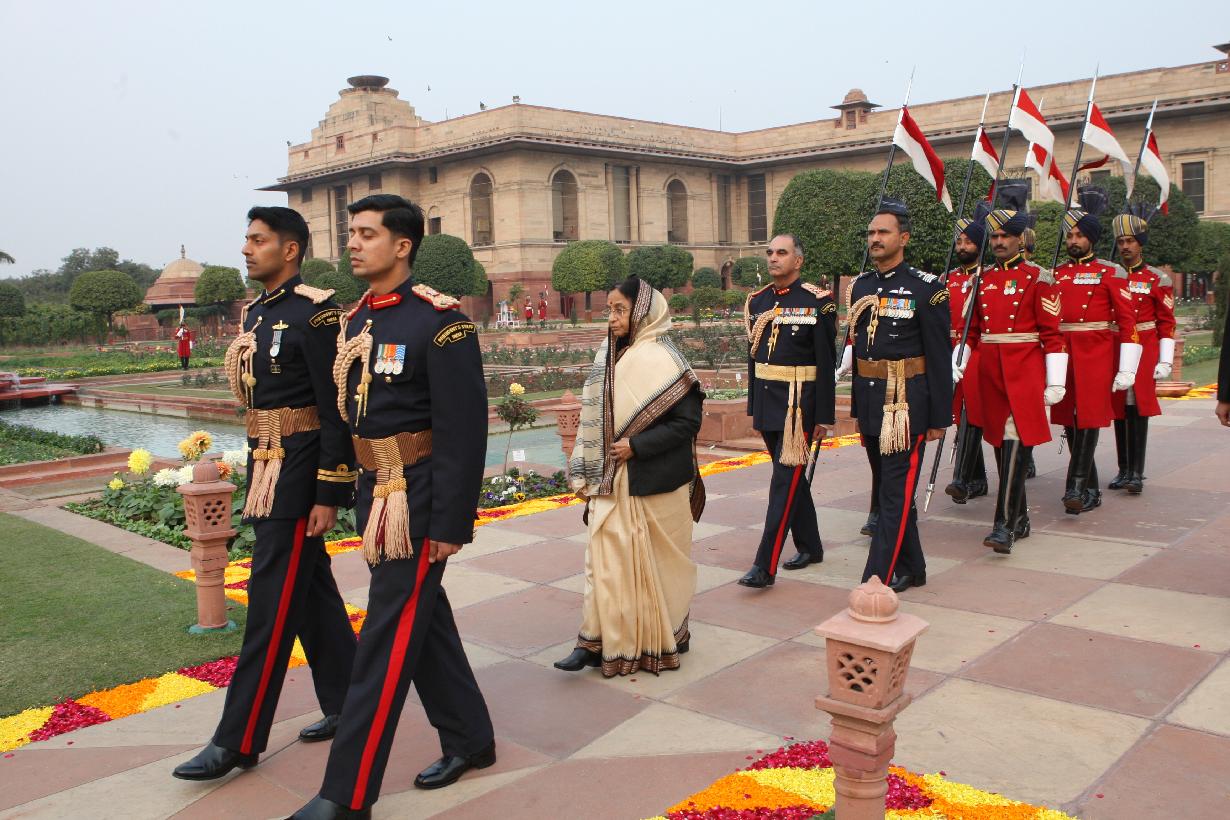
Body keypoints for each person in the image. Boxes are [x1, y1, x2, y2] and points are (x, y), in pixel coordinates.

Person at [289, 195, 493, 820]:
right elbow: (342, 417)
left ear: (402, 246)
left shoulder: (441, 325)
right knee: (422, 624)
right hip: (374, 493)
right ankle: (471, 739)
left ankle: (346, 795)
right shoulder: (353, 322)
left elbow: (464, 432)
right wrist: (335, 490)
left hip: (420, 498)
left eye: (367, 233)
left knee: (383, 639)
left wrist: (451, 522)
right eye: (351, 232)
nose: (352, 244)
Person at [173, 206, 358, 782]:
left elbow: (335, 408)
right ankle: (350, 704)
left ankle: (238, 739)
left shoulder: (316, 314)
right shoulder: (258, 312)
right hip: (267, 465)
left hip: (299, 474)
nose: (246, 249)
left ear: (291, 249)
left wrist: (329, 489)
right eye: (246, 239)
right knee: (314, 594)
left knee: (270, 604)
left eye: (258, 240)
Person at [556, 276, 703, 676]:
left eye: (620, 310)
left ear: (642, 312)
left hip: (655, 481)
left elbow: (687, 423)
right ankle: (593, 640)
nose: (612, 318)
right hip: (611, 478)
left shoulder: (666, 360)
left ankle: (664, 637)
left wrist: (637, 445)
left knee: (657, 567)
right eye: (610, 309)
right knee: (603, 561)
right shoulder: (609, 356)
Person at [838, 199, 951, 592]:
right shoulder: (860, 287)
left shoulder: (927, 289)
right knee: (891, 490)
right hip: (872, 403)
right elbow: (861, 351)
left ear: (904, 238)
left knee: (893, 494)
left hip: (906, 404)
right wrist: (858, 408)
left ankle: (875, 579)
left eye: (883, 232)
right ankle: (913, 568)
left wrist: (939, 418)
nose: (875, 238)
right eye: (871, 232)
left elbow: (939, 357)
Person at [957, 184, 1065, 553]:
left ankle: (1003, 525)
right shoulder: (982, 279)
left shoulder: (1039, 277)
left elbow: (1052, 335)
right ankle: (1020, 517)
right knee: (1002, 447)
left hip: (1024, 370)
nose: (999, 242)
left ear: (1020, 239)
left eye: (1005, 236)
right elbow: (972, 331)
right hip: (990, 372)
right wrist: (960, 360)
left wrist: (1056, 381)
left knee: (1016, 441)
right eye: (995, 236)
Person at [738, 234, 838, 587]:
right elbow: (753, 359)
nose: (773, 258)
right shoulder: (759, 301)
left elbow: (826, 363)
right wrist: (755, 407)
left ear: (798, 261)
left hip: (800, 408)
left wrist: (824, 416)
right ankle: (811, 546)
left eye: (781, 253)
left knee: (783, 482)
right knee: (793, 480)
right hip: (769, 403)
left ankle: (764, 565)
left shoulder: (818, 302)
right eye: (770, 252)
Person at [1051, 187, 1140, 513]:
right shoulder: (1056, 273)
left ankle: (1075, 486)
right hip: (1063, 353)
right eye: (1070, 235)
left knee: (1088, 417)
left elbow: (1128, 321)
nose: (1073, 241)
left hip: (1095, 353)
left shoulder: (1111, 272)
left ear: (1092, 238)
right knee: (1069, 418)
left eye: (1079, 235)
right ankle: (1089, 488)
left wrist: (1127, 366)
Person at [1109, 204, 1178, 491]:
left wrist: (1165, 359)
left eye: (1130, 241)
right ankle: (1123, 469)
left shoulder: (1157, 279)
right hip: (1117, 347)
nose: (1125, 246)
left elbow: (1167, 322)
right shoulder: (1111, 275)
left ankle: (1137, 472)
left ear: (1140, 244)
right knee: (1119, 410)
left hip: (1145, 349)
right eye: (1121, 241)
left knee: (1138, 408)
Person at [944, 218, 989, 504]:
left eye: (968, 242)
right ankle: (977, 479)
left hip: (977, 349)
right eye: (959, 241)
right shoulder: (947, 279)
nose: (962, 247)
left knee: (970, 411)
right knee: (959, 414)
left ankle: (961, 478)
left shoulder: (986, 277)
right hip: (949, 349)